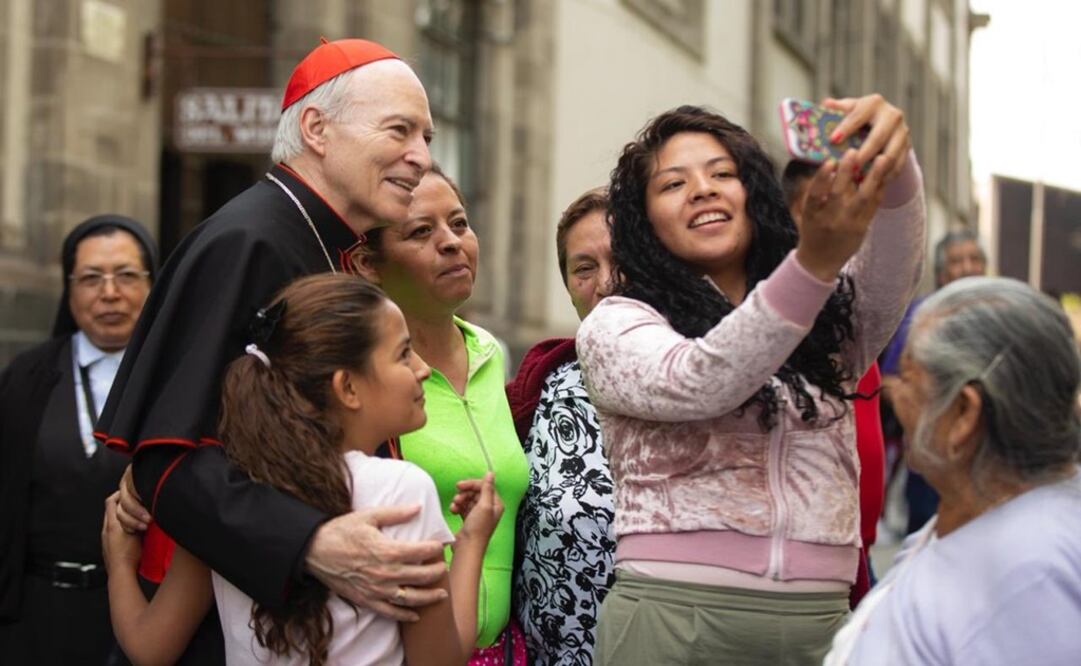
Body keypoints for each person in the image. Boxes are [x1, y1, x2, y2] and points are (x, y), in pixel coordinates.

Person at [95, 39, 447, 662]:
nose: (421, 158)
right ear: (317, 128)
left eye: (426, 136)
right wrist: (309, 542)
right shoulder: (250, 241)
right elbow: (171, 459)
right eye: (400, 130)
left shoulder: (321, 241)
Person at [576, 95, 925, 664]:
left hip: (820, 621)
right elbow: (700, 380)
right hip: (673, 616)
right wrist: (812, 265)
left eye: (723, 174)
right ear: (644, 221)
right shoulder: (618, 321)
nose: (704, 190)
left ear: (753, 193)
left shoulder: (829, 319)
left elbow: (894, 270)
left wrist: (895, 164)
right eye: (672, 185)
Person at [103, 274, 502, 666]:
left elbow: (149, 647)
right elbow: (440, 659)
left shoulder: (231, 503)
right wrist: (471, 542)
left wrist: (119, 562)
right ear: (347, 387)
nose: (421, 369)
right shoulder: (400, 490)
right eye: (402, 354)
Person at [826, 277, 1081, 665]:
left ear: (964, 413)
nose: (894, 394)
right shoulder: (974, 517)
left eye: (909, 378)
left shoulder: (1029, 572)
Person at [356, 166, 530, 663]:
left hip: (504, 648)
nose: (452, 242)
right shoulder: (362, 377)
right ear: (370, 263)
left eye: (459, 223)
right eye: (421, 231)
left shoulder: (491, 353)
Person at [0, 215, 157, 664]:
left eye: (126, 275)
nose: (110, 293)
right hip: (36, 619)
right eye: (91, 278)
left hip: (149, 616)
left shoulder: (174, 380)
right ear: (69, 291)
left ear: (152, 285)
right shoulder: (24, 380)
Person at [506, 186, 617, 665]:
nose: (605, 283)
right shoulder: (542, 384)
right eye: (584, 268)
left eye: (622, 258)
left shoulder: (700, 374)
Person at [783, 159, 887, 602]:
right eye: (816, 205)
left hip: (860, 548)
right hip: (810, 553)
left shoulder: (857, 312)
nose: (835, 219)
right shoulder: (780, 311)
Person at [879, 229, 988, 535]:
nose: (967, 267)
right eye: (957, 261)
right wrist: (925, 410)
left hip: (985, 458)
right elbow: (888, 381)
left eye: (974, 259)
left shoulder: (999, 315)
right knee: (927, 536)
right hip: (930, 456)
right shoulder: (921, 315)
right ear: (941, 273)